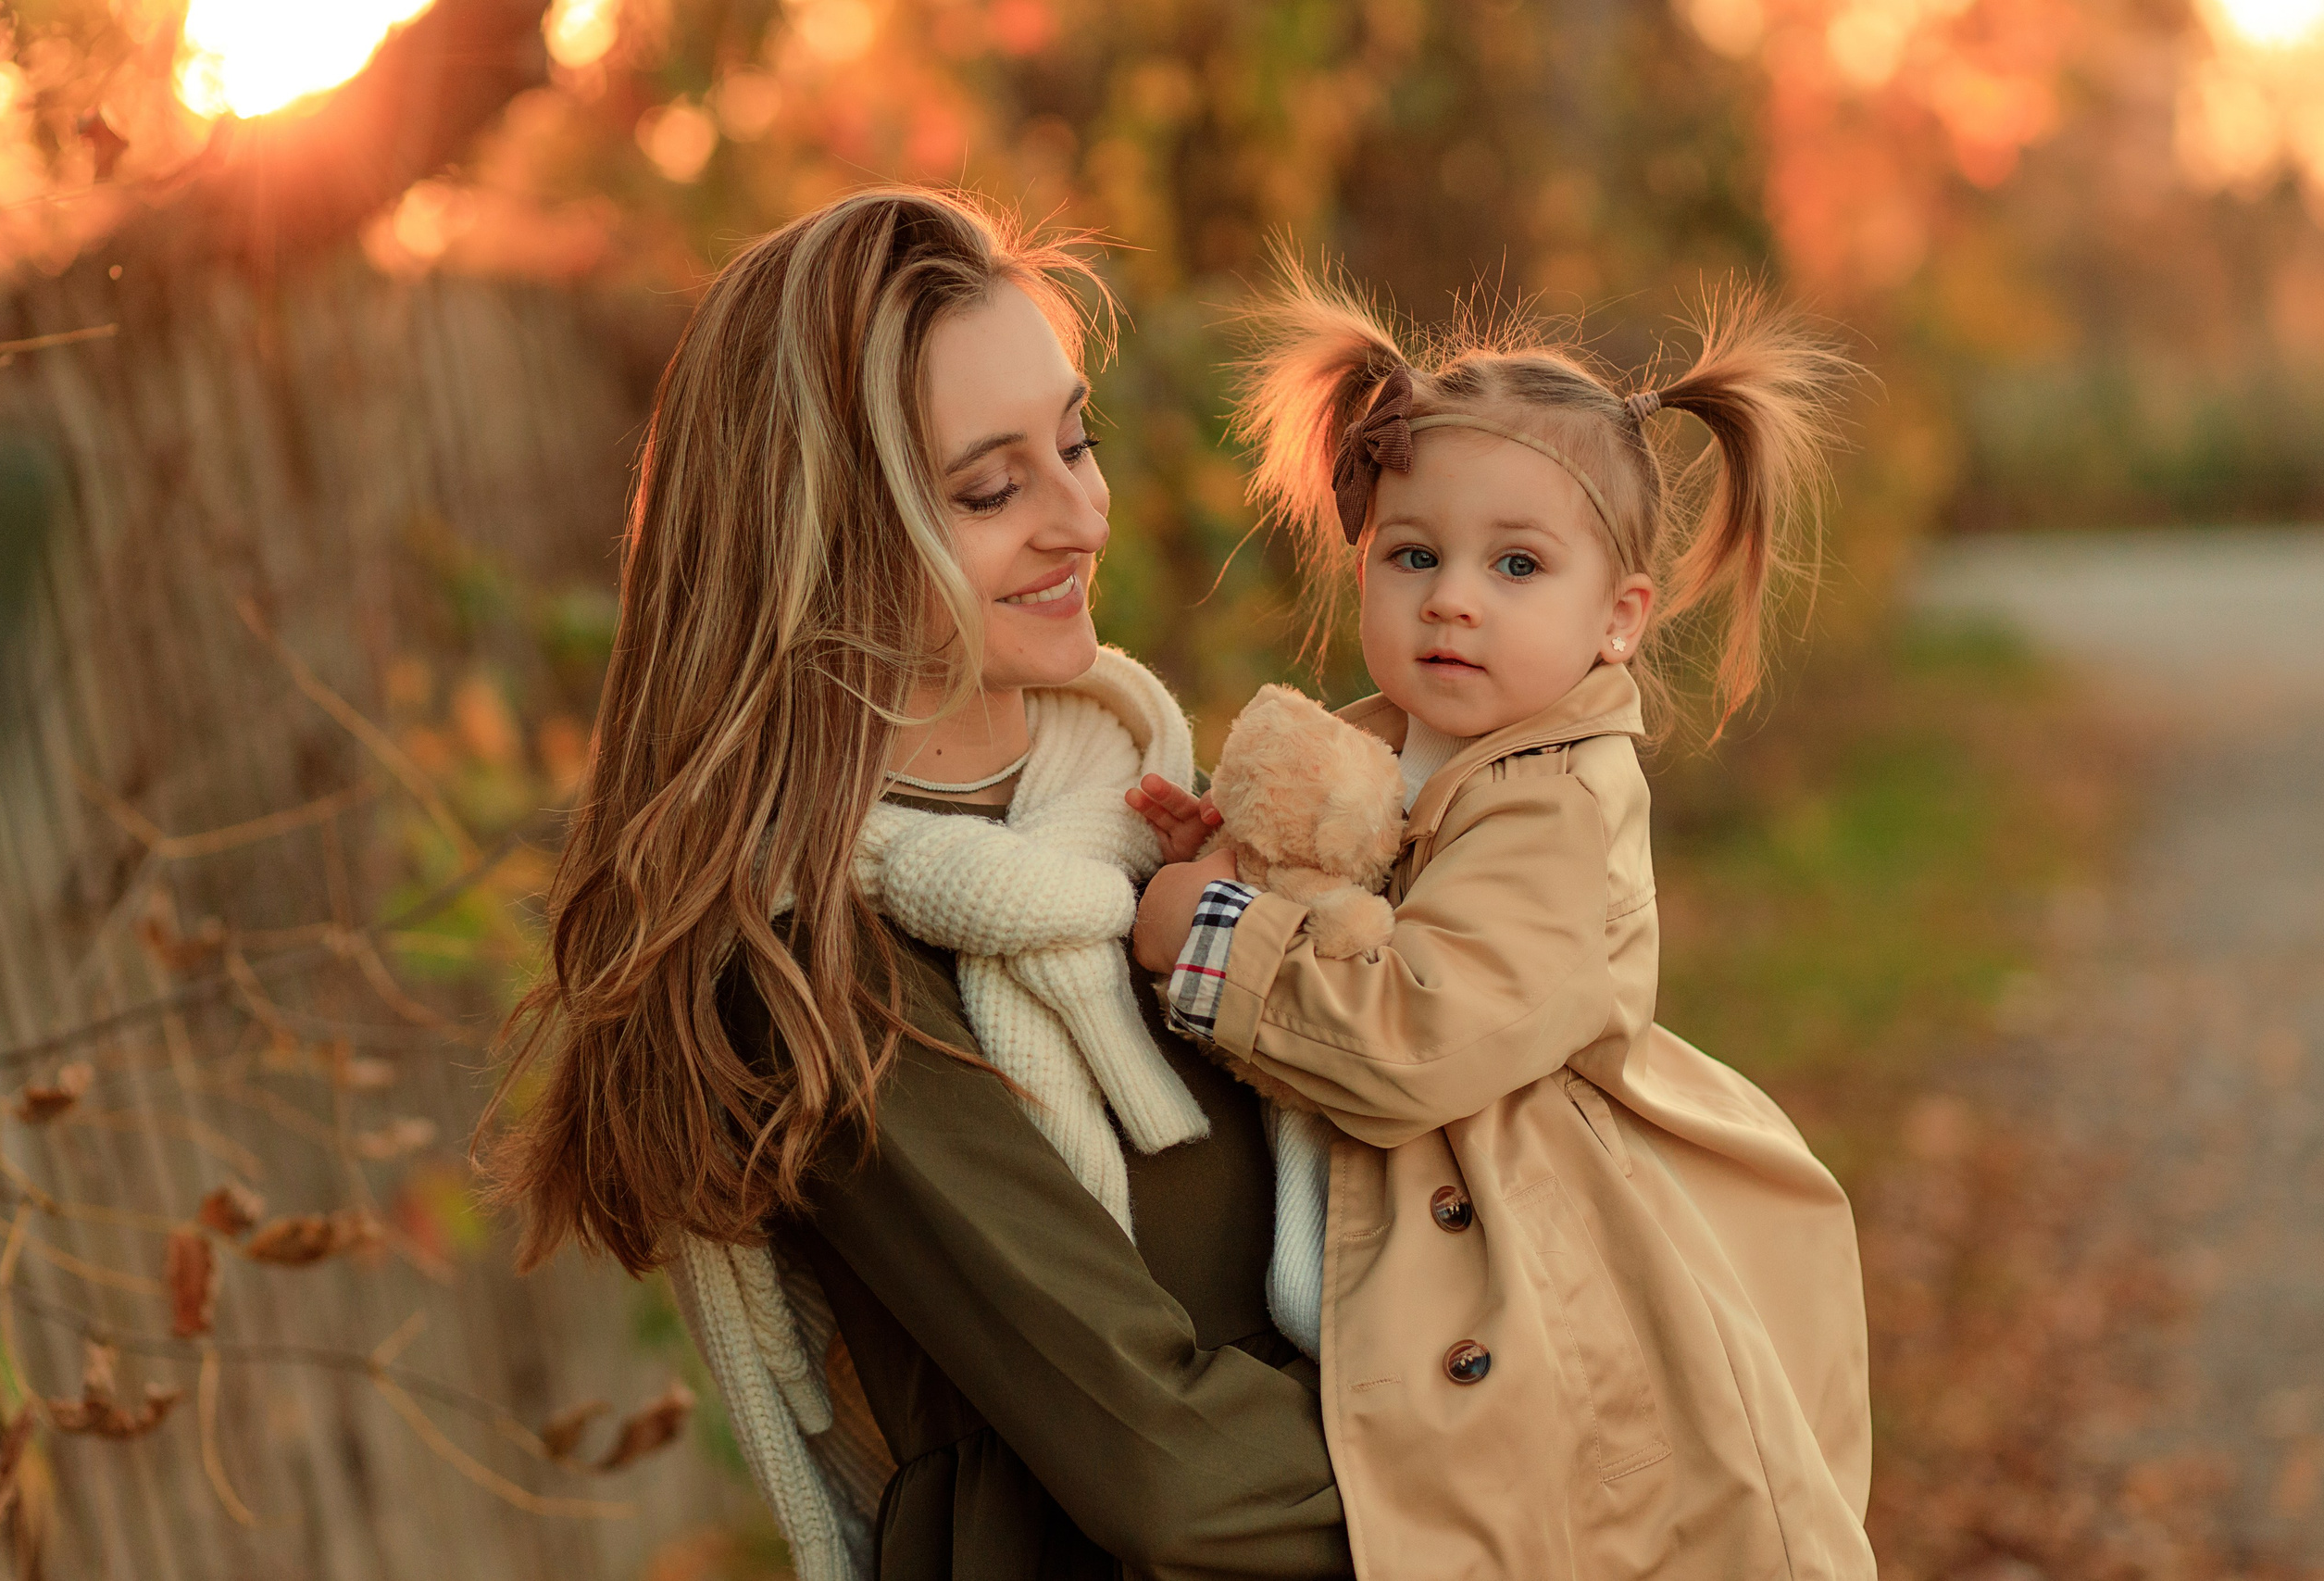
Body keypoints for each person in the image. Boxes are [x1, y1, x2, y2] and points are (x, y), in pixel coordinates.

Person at [486, 189, 1353, 1581]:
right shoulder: (817, 964)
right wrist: (1517, 1473)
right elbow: (1175, 1472)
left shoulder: (1146, 825)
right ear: (819, 528)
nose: (1079, 517)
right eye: (991, 489)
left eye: (1077, 442)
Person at [1125, 269, 1878, 1580]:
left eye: (1516, 564)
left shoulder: (1561, 804)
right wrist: (1240, 867)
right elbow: (1353, 908)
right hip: (1388, 1261)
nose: (1453, 598)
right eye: (1415, 555)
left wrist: (1217, 938)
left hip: (1531, 1286)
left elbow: (1422, 1029)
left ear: (1618, 622)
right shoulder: (1390, 759)